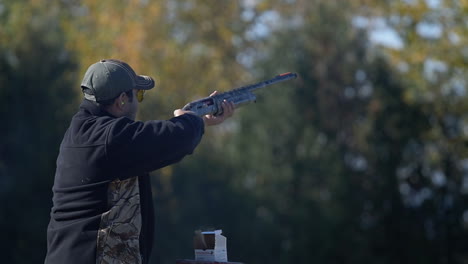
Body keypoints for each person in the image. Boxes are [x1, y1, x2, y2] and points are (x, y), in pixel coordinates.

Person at [44, 59, 235, 264]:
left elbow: (156, 142)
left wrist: (201, 121)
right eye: (139, 95)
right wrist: (191, 119)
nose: (139, 102)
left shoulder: (83, 132)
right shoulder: (109, 138)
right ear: (122, 101)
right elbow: (175, 139)